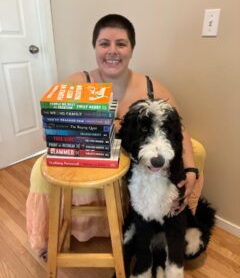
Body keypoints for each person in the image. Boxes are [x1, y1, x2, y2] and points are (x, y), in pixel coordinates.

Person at [26, 14, 205, 256]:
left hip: (142, 153)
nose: (113, 51)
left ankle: (172, 216)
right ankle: (52, 235)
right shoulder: (79, 82)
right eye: (104, 43)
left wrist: (191, 169)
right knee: (39, 170)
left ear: (131, 49)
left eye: (121, 43)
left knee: (198, 149)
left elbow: (179, 129)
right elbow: (50, 124)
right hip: (96, 157)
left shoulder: (152, 86)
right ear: (95, 48)